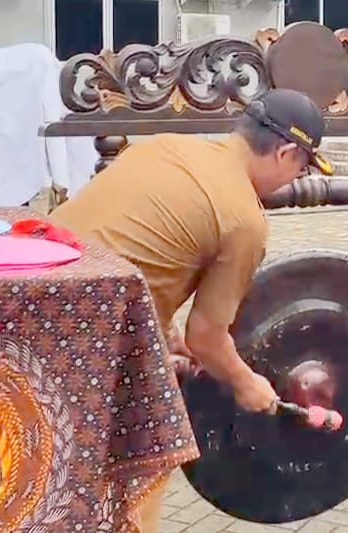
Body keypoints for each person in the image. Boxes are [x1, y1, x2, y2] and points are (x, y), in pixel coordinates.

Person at [49, 88, 333, 531]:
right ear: (285, 153)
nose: (294, 179)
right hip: (81, 336)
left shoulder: (167, 146)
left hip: (27, 294)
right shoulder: (243, 219)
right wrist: (246, 382)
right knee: (145, 461)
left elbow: (132, 244)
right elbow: (207, 337)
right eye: (301, 168)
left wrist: (167, 336)